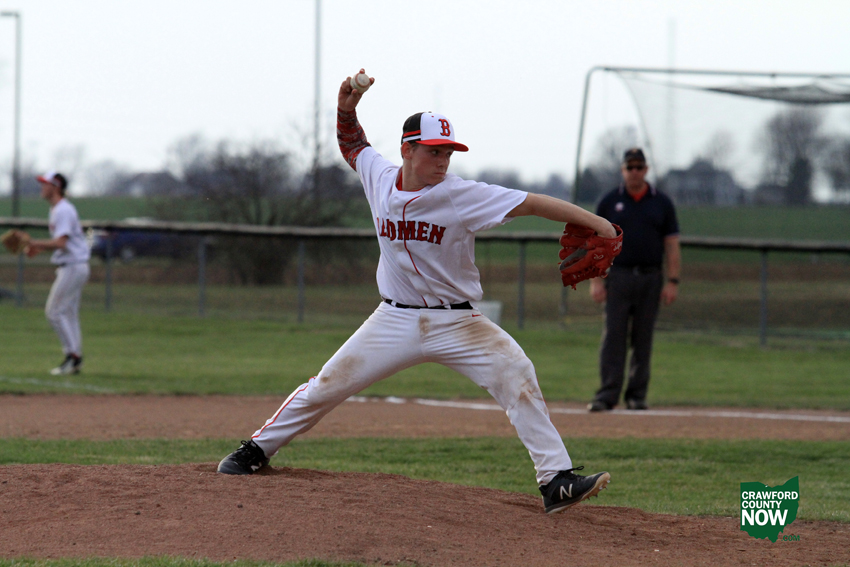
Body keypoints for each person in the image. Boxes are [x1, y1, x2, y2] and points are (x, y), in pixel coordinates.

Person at [218, 70, 615, 514]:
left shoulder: (461, 194)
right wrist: (346, 108)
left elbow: (533, 203)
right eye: (433, 151)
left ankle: (556, 480)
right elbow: (353, 145)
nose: (443, 161)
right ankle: (256, 449)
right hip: (393, 319)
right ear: (407, 149)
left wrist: (597, 222)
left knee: (516, 373)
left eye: (448, 152)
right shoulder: (380, 177)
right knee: (327, 385)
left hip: (458, 322)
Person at [587, 148, 681, 412]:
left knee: (643, 338)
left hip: (650, 277)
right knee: (613, 337)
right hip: (618, 276)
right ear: (623, 170)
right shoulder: (609, 202)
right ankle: (607, 394)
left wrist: (673, 280)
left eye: (639, 167)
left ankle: (637, 395)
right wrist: (595, 280)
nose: (635, 172)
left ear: (646, 170)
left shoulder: (661, 202)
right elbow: (596, 243)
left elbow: (672, 244)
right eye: (630, 167)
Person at [21, 171, 91, 375]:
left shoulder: (63, 210)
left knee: (54, 312)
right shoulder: (58, 209)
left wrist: (34, 242)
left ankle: (73, 356)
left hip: (73, 266)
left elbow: (61, 242)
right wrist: (38, 248)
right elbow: (63, 243)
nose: (42, 187)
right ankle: (75, 358)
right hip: (74, 265)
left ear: (56, 187)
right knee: (68, 313)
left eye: (46, 184)